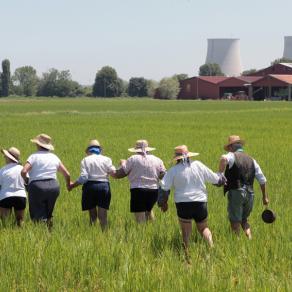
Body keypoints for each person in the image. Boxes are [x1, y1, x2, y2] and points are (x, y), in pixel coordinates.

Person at [158, 145, 225, 250]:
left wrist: (163, 203)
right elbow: (216, 179)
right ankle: (211, 247)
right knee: (203, 228)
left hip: (182, 203)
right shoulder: (198, 165)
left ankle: (187, 255)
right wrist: (222, 178)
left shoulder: (173, 170)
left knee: (186, 231)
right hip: (200, 202)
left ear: (177, 158)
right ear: (189, 155)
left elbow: (163, 187)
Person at [218, 135, 269, 239]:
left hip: (237, 192)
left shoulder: (231, 156)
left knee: (235, 221)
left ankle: (236, 244)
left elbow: (223, 158)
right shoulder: (252, 160)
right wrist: (265, 197)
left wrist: (220, 174)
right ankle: (249, 239)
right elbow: (262, 180)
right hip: (250, 194)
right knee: (244, 220)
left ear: (231, 147)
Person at [21, 133, 70, 229]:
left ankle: (40, 237)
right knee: (49, 214)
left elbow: (23, 171)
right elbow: (67, 174)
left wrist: (27, 182)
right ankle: (50, 234)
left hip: (37, 186)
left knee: (38, 216)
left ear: (38, 145)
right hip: (54, 186)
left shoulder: (33, 156)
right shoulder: (54, 157)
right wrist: (68, 185)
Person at [69, 139, 116, 230]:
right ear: (100, 150)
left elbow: (84, 177)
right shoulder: (107, 159)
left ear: (89, 150)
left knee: (92, 216)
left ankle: (92, 233)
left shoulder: (85, 160)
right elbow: (113, 172)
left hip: (90, 187)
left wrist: (73, 185)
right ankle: (104, 235)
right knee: (103, 216)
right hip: (104, 187)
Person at [116, 139, 166, 223]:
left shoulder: (133, 159)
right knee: (149, 211)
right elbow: (163, 175)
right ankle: (152, 231)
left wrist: (122, 164)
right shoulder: (157, 159)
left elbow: (121, 174)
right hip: (153, 191)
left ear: (136, 149)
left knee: (140, 217)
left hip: (138, 190)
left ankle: (141, 233)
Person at [0, 147, 26, 227]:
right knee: (20, 221)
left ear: (8, 157)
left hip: (5, 196)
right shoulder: (22, 168)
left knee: (5, 222)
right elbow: (27, 181)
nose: (4, 157)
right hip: (21, 196)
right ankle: (22, 235)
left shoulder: (2, 170)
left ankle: (6, 234)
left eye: (5, 156)